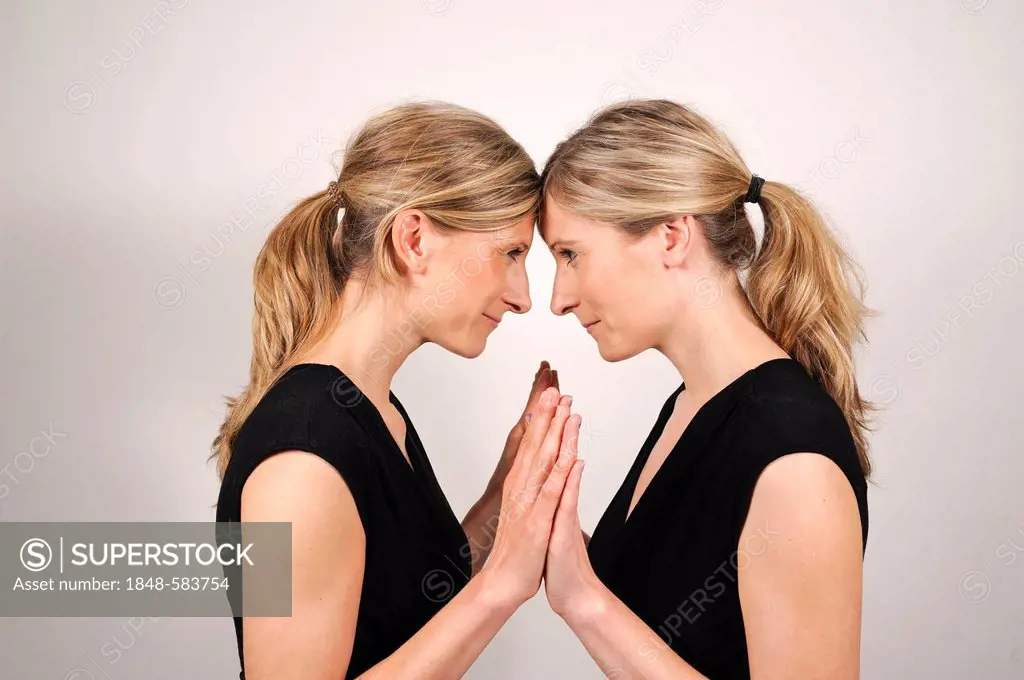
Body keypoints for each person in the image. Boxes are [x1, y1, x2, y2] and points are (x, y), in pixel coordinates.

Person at [210, 100, 582, 680]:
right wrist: (500, 587)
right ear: (413, 239)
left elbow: (405, 609)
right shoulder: (304, 456)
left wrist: (502, 501)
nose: (523, 296)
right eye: (510, 253)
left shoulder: (370, 410)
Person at [537, 99, 874, 680]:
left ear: (672, 236)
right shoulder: (693, 405)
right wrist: (542, 525)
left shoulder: (792, 456)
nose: (558, 297)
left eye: (571, 254)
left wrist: (583, 600)